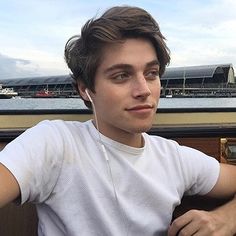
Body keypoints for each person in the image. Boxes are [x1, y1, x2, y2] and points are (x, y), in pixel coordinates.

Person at [0, 5, 236, 236]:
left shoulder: (174, 158)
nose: (144, 90)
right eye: (121, 76)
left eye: (151, 73)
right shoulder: (54, 144)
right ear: (85, 90)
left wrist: (226, 218)